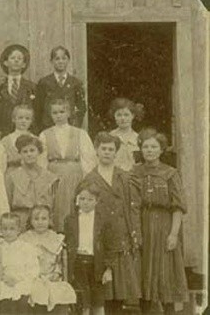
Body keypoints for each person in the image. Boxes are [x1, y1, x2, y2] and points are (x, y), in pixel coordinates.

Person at [82, 132, 142, 314]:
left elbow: (134, 207)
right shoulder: (89, 179)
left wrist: (135, 234)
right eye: (103, 149)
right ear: (96, 150)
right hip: (101, 238)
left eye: (111, 149)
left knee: (121, 289)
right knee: (103, 289)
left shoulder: (124, 177)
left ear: (115, 152)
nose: (107, 153)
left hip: (122, 235)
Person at [132, 128, 188, 314]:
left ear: (161, 149)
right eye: (146, 146)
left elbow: (178, 207)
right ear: (141, 148)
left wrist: (173, 234)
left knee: (166, 272)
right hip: (141, 224)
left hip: (164, 225)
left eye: (153, 147)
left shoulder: (170, 173)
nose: (149, 150)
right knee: (143, 271)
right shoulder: (134, 173)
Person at [39, 99, 97, 232]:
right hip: (54, 177)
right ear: (50, 114)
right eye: (55, 112)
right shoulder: (44, 134)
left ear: (68, 113)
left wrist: (86, 182)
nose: (58, 115)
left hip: (74, 176)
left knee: (73, 206)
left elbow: (88, 159)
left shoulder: (80, 133)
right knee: (57, 208)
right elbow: (42, 161)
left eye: (62, 112)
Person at [64, 182, 112, 315]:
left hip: (96, 264)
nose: (85, 202)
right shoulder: (70, 220)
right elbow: (67, 243)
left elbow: (109, 246)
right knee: (82, 300)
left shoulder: (103, 220)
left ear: (97, 201)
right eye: (82, 199)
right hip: (78, 263)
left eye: (90, 199)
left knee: (98, 301)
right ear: (77, 199)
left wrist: (108, 268)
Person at [20, 205, 76, 314]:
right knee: (35, 294)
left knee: (58, 294)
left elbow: (59, 262)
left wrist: (55, 273)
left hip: (51, 277)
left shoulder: (55, 238)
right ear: (31, 221)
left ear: (50, 220)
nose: (40, 222)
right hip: (31, 277)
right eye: (36, 219)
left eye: (44, 219)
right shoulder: (25, 238)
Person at [5, 135, 58, 230]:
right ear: (20, 154)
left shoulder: (50, 177)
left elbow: (55, 206)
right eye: (25, 151)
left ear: (39, 152)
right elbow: (7, 203)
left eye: (32, 150)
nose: (29, 154)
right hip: (20, 223)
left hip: (43, 224)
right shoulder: (12, 176)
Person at [35, 46, 86, 131]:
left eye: (64, 58)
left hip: (70, 126)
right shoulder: (44, 82)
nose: (61, 61)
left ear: (68, 60)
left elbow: (81, 108)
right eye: (57, 59)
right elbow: (38, 108)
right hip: (49, 126)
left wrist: (75, 124)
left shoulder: (76, 83)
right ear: (51, 61)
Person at [0, 213, 39, 314]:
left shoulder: (26, 247)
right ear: (0, 230)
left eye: (12, 229)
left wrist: (19, 279)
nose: (8, 232)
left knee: (23, 301)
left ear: (18, 230)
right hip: (4, 281)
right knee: (4, 300)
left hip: (22, 280)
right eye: (5, 229)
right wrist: (3, 277)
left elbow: (33, 268)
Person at [0, 44, 37, 137]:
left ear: (24, 64)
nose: (16, 60)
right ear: (5, 62)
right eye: (12, 58)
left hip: (25, 133)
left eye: (19, 58)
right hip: (3, 132)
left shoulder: (32, 87)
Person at [0, 104, 40, 173]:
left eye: (27, 118)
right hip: (11, 174)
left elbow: (40, 161)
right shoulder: (5, 140)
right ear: (13, 119)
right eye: (20, 118)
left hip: (31, 174)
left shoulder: (36, 139)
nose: (23, 121)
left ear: (31, 121)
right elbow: (1, 163)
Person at [108, 98, 144, 171]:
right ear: (114, 116)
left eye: (126, 115)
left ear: (133, 116)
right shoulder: (109, 137)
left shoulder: (138, 138)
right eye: (119, 115)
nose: (123, 118)